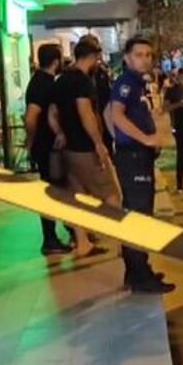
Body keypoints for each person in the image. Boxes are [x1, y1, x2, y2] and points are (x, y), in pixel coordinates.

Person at [109, 37, 175, 294]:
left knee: (139, 212)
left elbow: (110, 114)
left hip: (138, 154)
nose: (145, 59)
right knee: (139, 216)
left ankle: (137, 270)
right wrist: (143, 139)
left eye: (148, 55)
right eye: (139, 55)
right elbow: (116, 114)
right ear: (127, 58)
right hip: (133, 156)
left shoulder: (139, 83)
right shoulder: (126, 83)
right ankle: (139, 275)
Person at [53, 40, 114, 259]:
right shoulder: (83, 81)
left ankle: (82, 243)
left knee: (76, 197)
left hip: (68, 148)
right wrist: (98, 143)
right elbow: (86, 113)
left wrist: (60, 133)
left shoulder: (61, 80)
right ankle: (124, 245)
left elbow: (52, 113)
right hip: (84, 147)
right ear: (92, 57)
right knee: (111, 194)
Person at [25, 44, 72, 255]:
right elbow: (31, 116)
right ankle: (51, 238)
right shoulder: (42, 84)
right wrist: (31, 140)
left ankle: (62, 232)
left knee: (56, 188)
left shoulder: (40, 82)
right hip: (47, 147)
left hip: (47, 145)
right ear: (55, 61)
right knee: (53, 190)